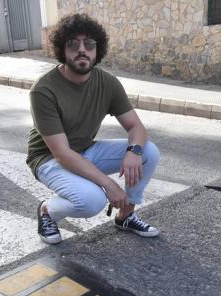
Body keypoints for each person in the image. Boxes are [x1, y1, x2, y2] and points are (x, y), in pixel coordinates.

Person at [26, 13, 160, 244]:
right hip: (48, 159)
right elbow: (62, 153)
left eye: (89, 44)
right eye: (73, 44)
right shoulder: (44, 90)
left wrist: (133, 152)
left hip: (85, 151)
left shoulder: (107, 82)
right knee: (92, 201)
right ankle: (47, 210)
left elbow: (136, 126)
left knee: (148, 152)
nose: (82, 50)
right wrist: (108, 185)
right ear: (62, 49)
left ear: (97, 50)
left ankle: (125, 216)